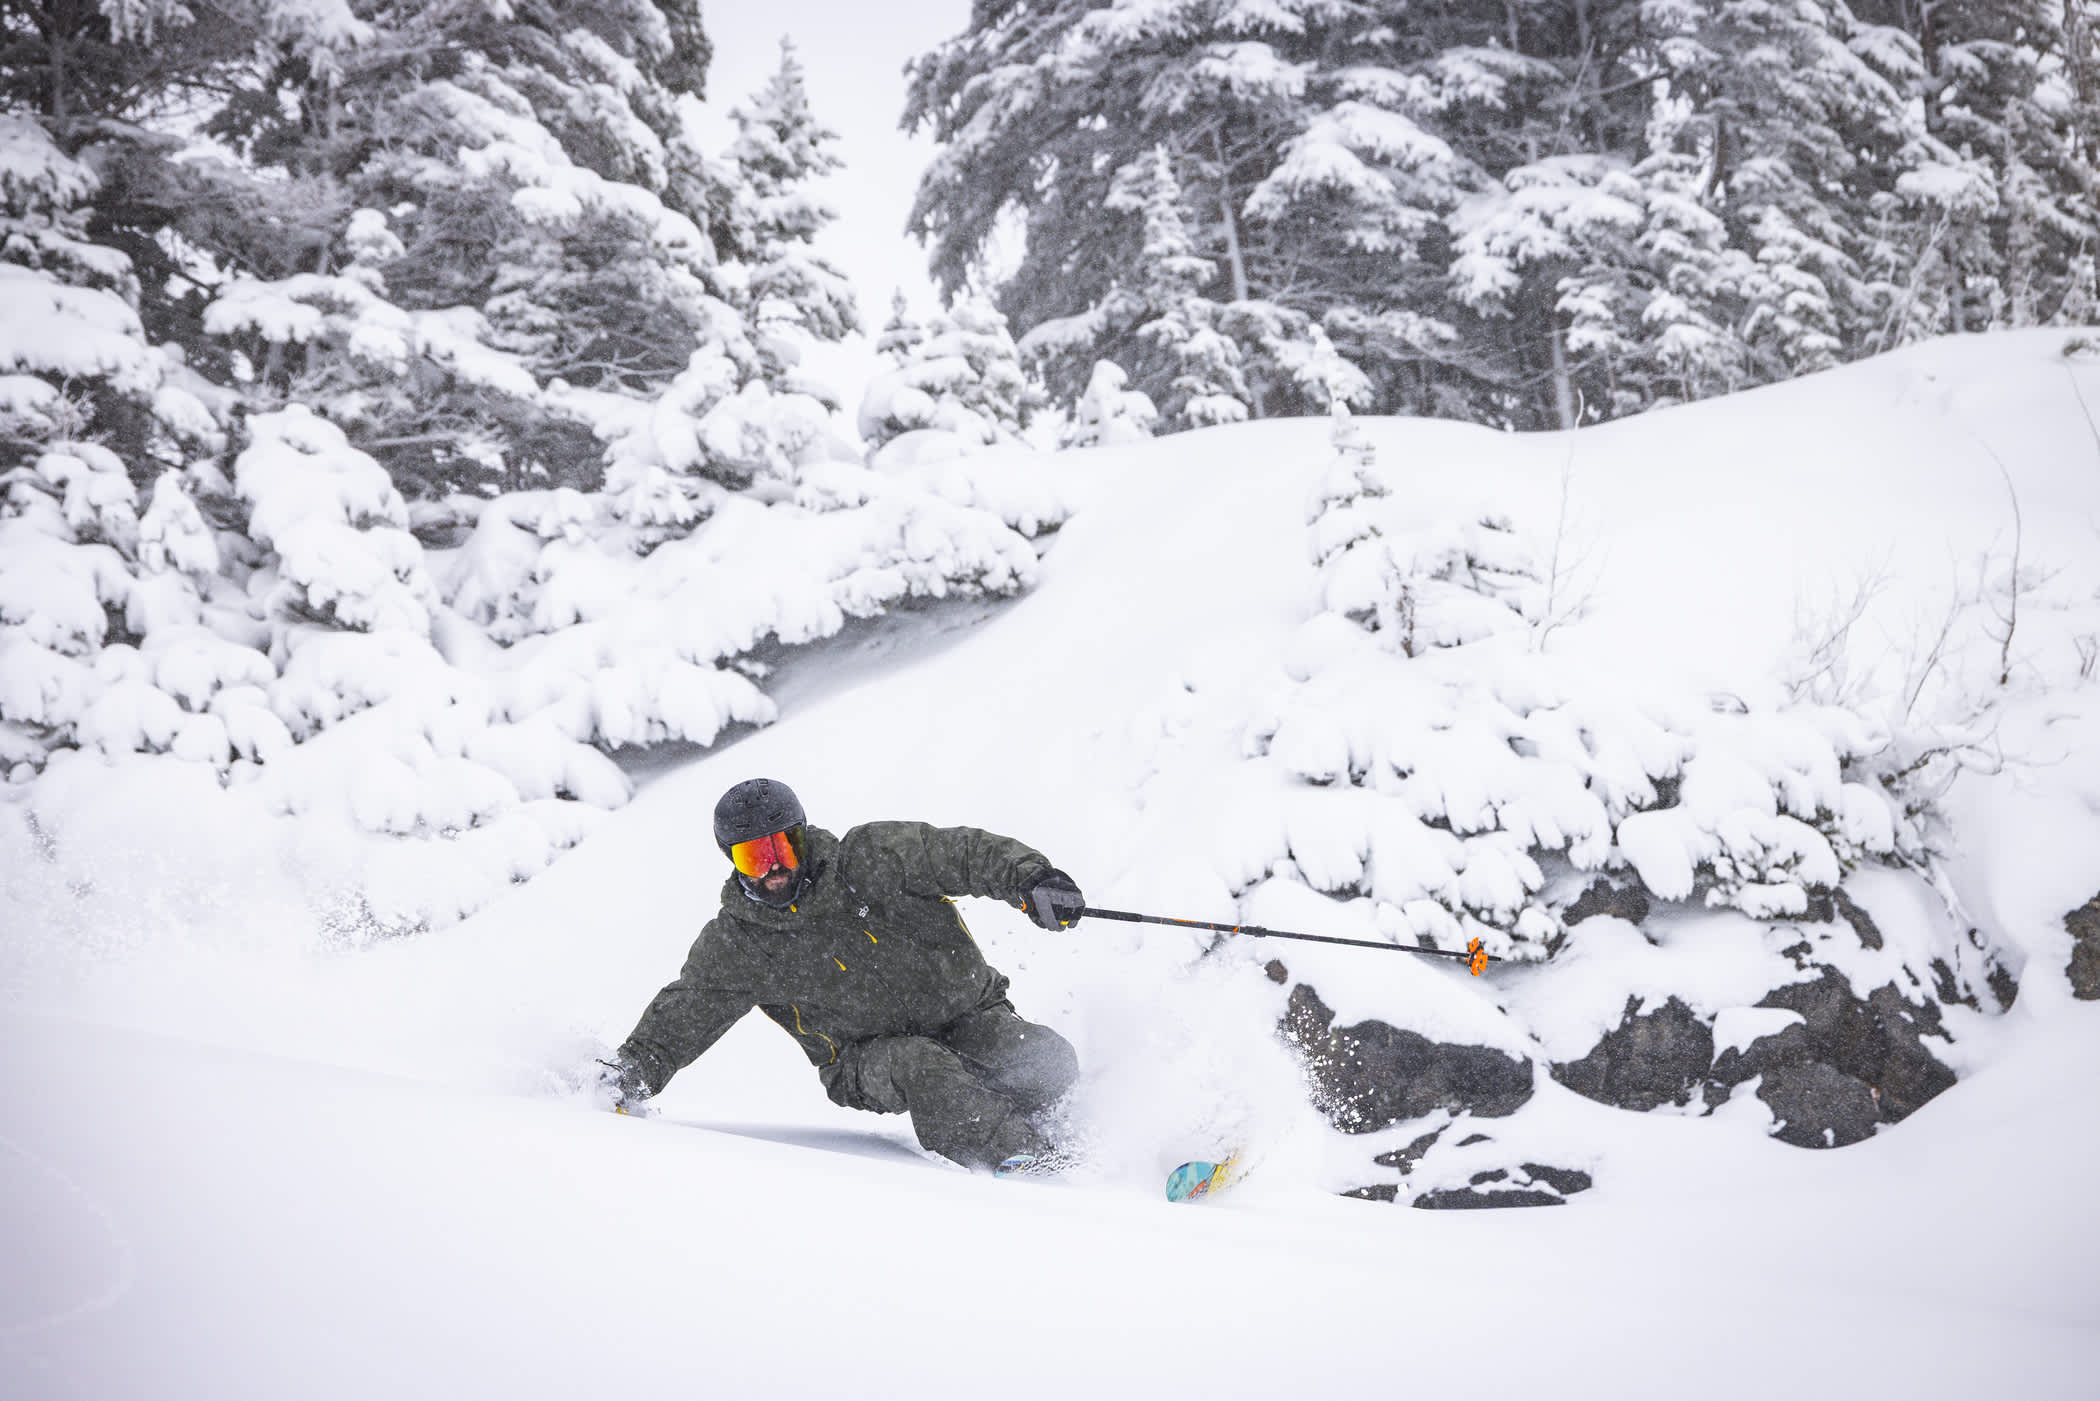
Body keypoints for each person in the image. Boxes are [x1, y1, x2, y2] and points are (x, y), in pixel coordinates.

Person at [597, 778, 1088, 1173]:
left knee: (1049, 1063)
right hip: (862, 1056)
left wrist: (1031, 880)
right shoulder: (743, 942)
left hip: (968, 1013)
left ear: (802, 836)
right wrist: (626, 1077)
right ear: (732, 860)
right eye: (755, 857)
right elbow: (685, 1012)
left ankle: (1075, 1137)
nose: (774, 869)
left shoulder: (875, 857)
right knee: (924, 1067)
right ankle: (1034, 1168)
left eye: (783, 848)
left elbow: (962, 853)